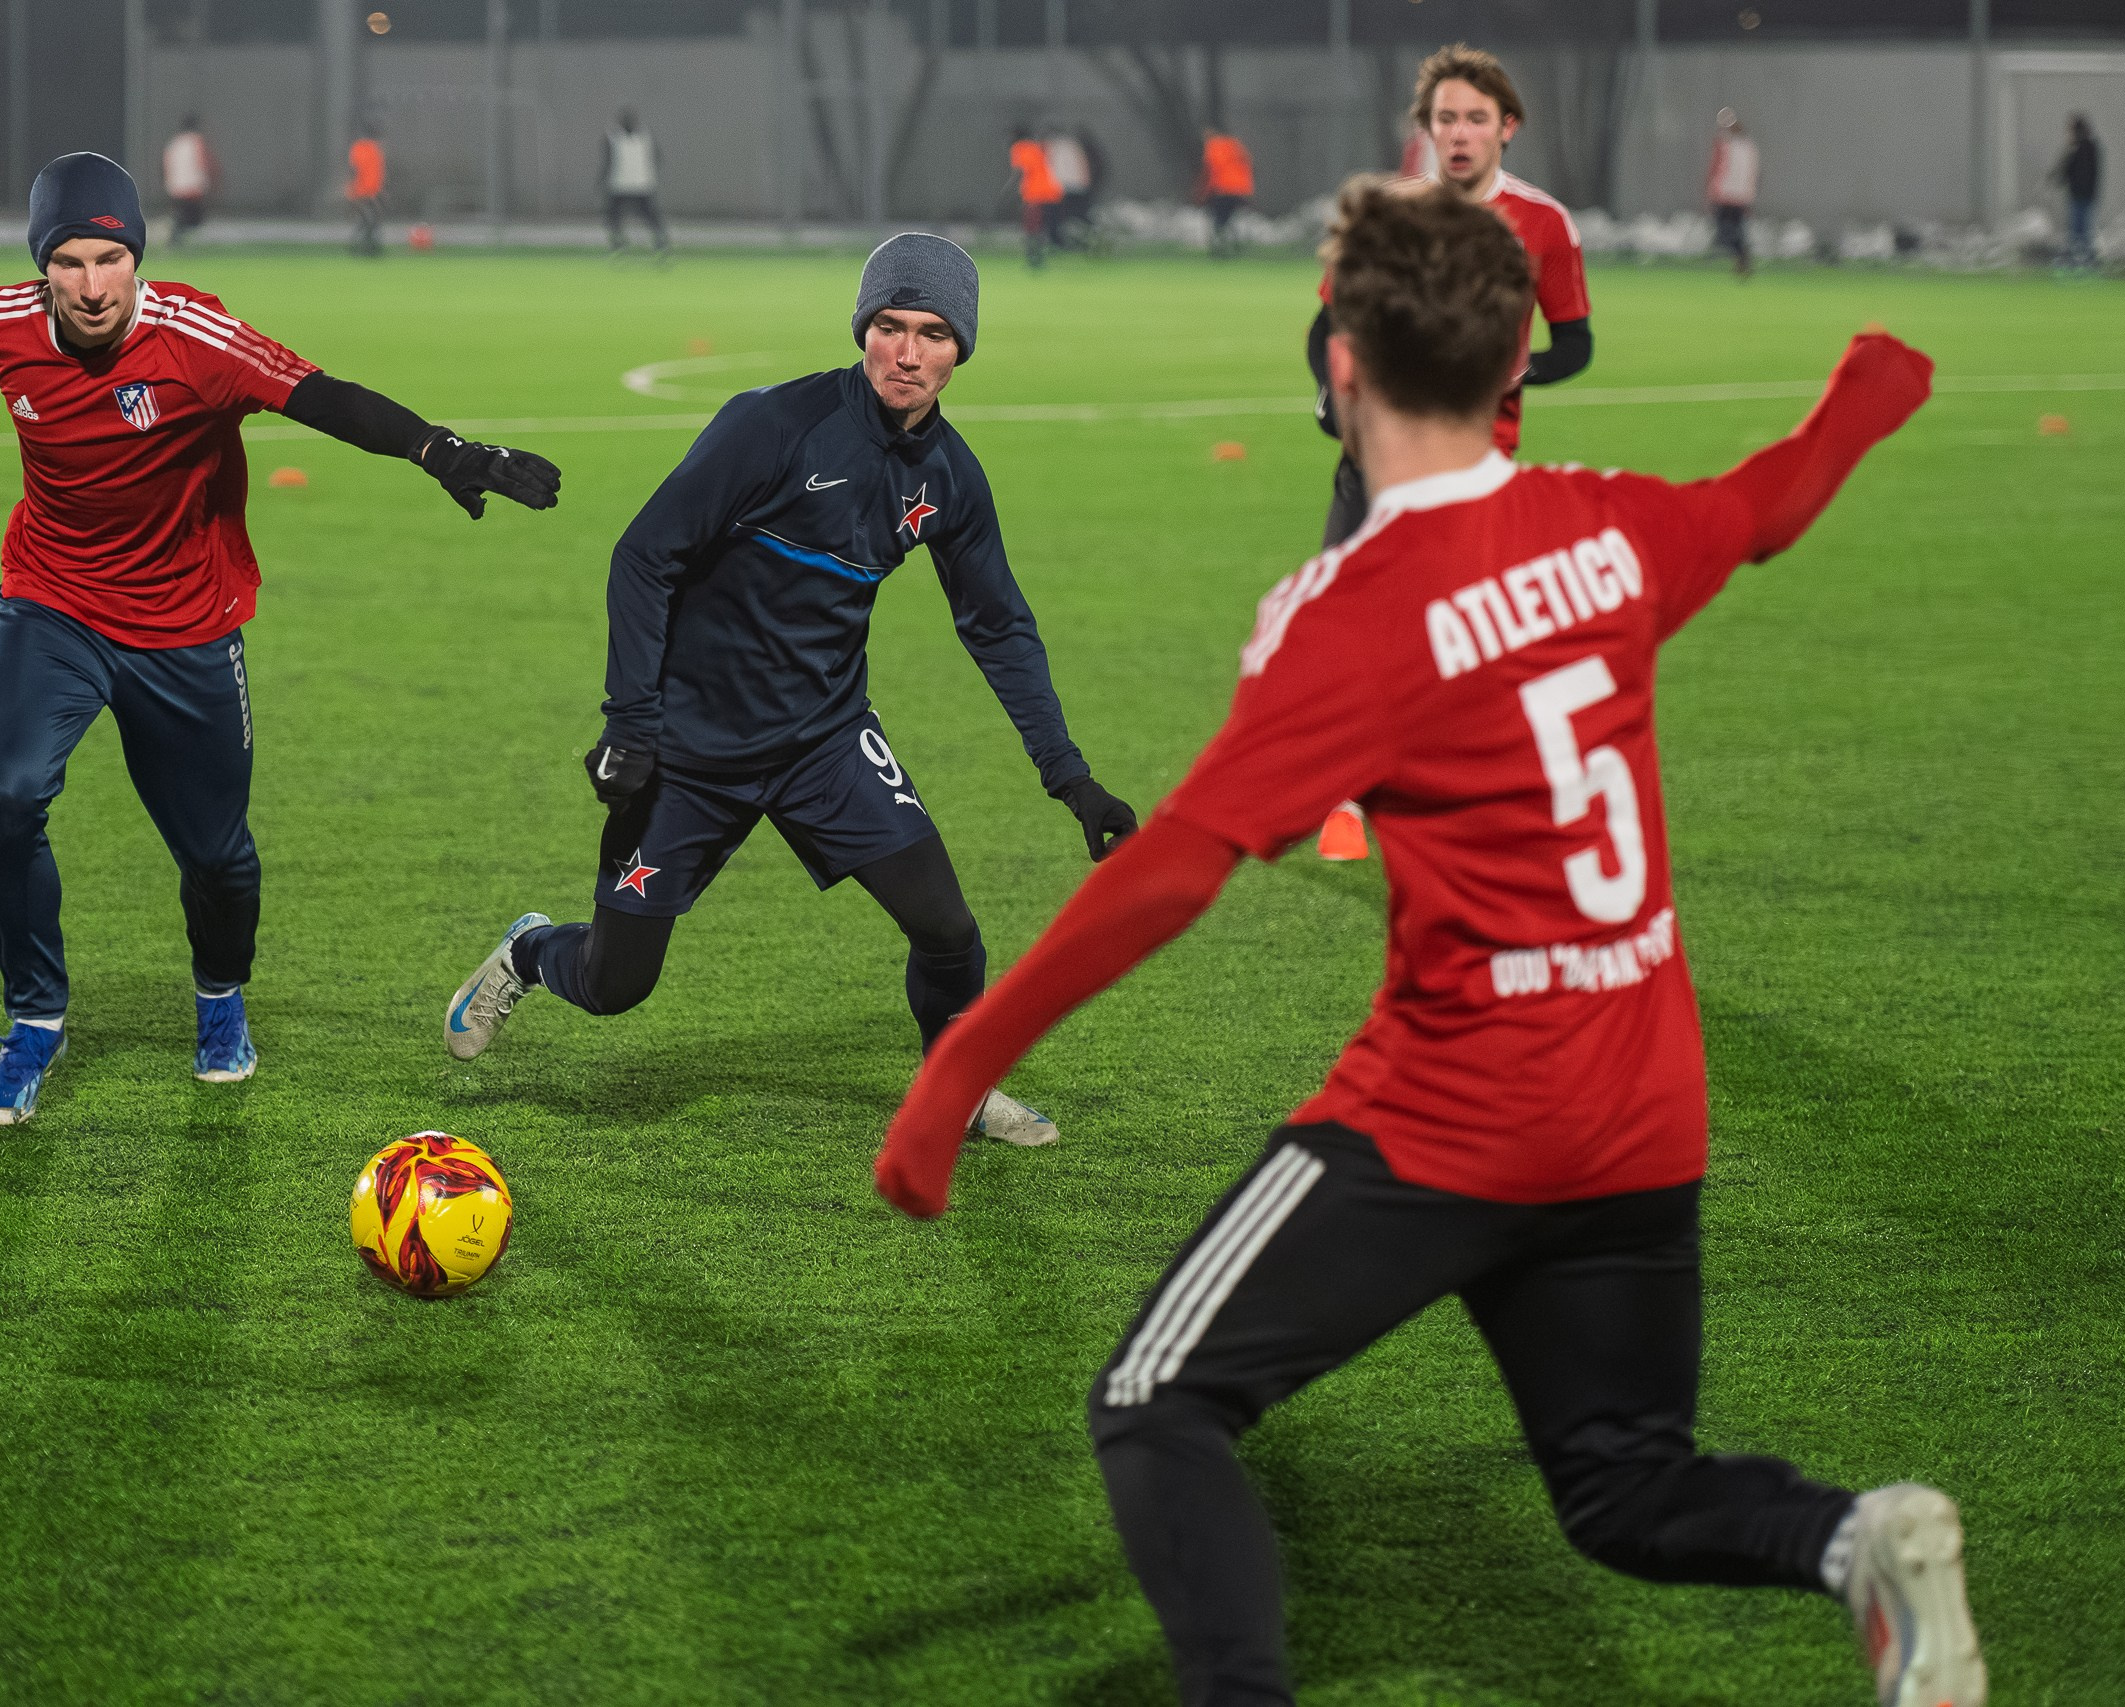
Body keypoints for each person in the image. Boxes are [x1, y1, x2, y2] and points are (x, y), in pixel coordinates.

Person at [875, 177, 1985, 1707]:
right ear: (1517, 363)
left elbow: (1174, 874)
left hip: (1458, 1116)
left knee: (1156, 1401)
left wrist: (955, 1076)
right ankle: (1857, 1538)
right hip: (1645, 1115)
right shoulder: (1610, 528)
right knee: (1621, 1484)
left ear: (1339, 365)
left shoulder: (1348, 613)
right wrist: (1866, 394)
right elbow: (1765, 505)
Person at [0, 153, 561, 1124]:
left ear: (136, 257)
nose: (89, 285)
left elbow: (323, 397)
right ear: (42, 267)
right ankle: (34, 1019)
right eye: (67, 262)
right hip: (52, 603)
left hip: (186, 627)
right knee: (3, 796)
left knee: (215, 857)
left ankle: (218, 996)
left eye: (107, 260)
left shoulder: (196, 337)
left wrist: (440, 448)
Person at [442, 234, 1138, 1148]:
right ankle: (530, 951)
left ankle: (956, 1087)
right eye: (890, 326)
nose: (908, 351)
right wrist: (632, 724)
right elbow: (644, 558)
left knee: (948, 929)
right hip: (688, 751)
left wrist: (1069, 775)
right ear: (864, 330)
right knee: (618, 985)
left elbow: (997, 624)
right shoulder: (772, 426)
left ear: (960, 348)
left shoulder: (950, 479)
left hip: (824, 743)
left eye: (933, 333)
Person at [1308, 42, 1595, 861]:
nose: (1459, 134)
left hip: (1476, 466)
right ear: (1426, 130)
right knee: (1346, 622)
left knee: (1475, 640)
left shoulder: (1543, 224)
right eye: (1445, 119)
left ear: (1508, 127)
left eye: (1476, 118)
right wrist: (1334, 397)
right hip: (1380, 454)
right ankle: (1345, 799)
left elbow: (1574, 343)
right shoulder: (1391, 214)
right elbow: (1327, 323)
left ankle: (1498, 797)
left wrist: (1515, 369)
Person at [602, 108, 669, 257]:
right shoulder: (615, 137)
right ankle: (619, 242)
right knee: (614, 216)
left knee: (650, 216)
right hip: (623, 184)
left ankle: (660, 241)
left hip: (639, 184)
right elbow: (608, 161)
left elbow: (656, 157)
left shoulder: (643, 137)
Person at [1708, 107, 1759, 276]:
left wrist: (1713, 189)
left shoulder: (1726, 144)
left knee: (1727, 231)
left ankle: (1741, 258)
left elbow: (1717, 168)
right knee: (1733, 231)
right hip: (1737, 195)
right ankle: (1741, 259)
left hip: (1728, 195)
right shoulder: (1748, 146)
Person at [2045, 114, 2098, 268]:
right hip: (2080, 196)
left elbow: (2073, 171)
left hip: (2081, 196)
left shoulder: (2084, 148)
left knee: (2079, 232)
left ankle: (2083, 262)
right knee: (2078, 231)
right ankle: (2081, 261)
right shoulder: (2084, 148)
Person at [1197, 125, 1255, 257]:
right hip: (1240, 189)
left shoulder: (1213, 147)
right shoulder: (1234, 144)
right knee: (1230, 218)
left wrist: (1204, 192)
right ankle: (1235, 245)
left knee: (1218, 220)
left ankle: (1219, 248)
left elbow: (1211, 170)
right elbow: (1248, 163)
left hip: (1222, 189)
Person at [1009, 127, 1062, 269]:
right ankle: (1038, 259)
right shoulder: (1035, 147)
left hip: (1035, 194)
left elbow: (1021, 171)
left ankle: (1034, 260)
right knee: (1040, 228)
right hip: (1051, 192)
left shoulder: (1020, 147)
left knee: (1031, 228)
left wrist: (1008, 191)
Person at [162, 114, 217, 247]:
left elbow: (167, 162)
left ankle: (176, 236)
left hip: (176, 187)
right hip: (193, 185)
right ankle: (178, 237)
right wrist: (209, 180)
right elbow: (202, 161)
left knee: (184, 215)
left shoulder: (174, 143)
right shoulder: (196, 141)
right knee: (193, 218)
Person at [1045, 127, 1100, 250]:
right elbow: (1083, 165)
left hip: (1060, 187)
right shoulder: (1074, 145)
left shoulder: (1052, 146)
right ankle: (1090, 239)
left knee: (1055, 216)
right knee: (1080, 214)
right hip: (1078, 186)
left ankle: (1059, 243)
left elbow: (1050, 168)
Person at [347, 125, 385, 257]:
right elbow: (361, 171)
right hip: (365, 192)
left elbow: (356, 170)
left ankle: (363, 247)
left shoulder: (360, 148)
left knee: (367, 220)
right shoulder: (371, 150)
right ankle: (367, 247)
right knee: (370, 220)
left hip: (365, 192)